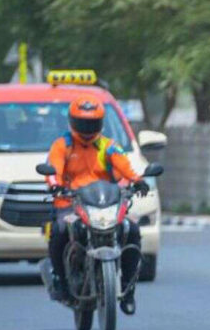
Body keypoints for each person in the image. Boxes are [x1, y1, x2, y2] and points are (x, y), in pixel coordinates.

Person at [44, 97, 148, 314]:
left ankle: (128, 291)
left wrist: (138, 181)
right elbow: (53, 170)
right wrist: (55, 185)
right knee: (60, 230)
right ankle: (60, 279)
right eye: (83, 123)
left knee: (132, 230)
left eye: (92, 124)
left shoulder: (108, 146)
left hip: (106, 204)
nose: (87, 129)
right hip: (71, 203)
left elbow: (125, 166)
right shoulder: (62, 145)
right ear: (73, 122)